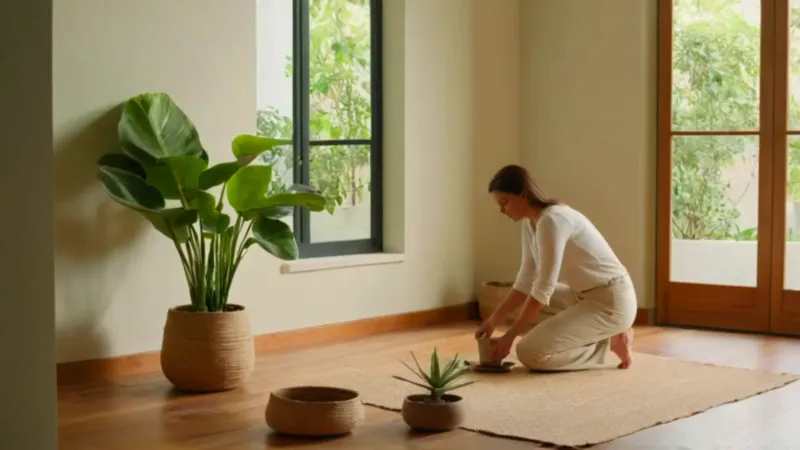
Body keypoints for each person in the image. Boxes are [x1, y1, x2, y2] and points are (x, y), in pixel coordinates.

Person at [475, 164, 637, 370]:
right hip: (581, 295)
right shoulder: (530, 223)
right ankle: (607, 331)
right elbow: (526, 280)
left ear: (523, 194)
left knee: (529, 352)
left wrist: (510, 336)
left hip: (612, 302)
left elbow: (544, 287)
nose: (502, 210)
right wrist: (493, 320)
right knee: (529, 298)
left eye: (504, 202)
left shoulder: (552, 220)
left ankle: (605, 344)